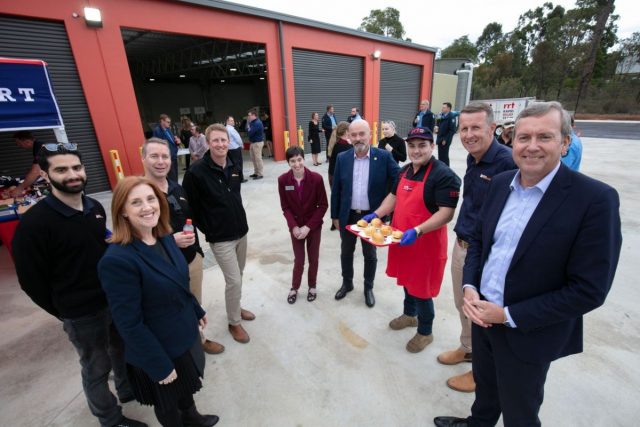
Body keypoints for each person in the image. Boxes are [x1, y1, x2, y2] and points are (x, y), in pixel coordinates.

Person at [433, 101, 622, 427]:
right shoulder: (501, 183)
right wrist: (469, 286)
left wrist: (507, 315)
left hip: (528, 331)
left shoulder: (594, 200)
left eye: (544, 137)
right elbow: (478, 241)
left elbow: (589, 290)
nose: (531, 146)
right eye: (523, 137)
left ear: (564, 143)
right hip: (482, 316)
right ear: (511, 141)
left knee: (520, 410)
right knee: (486, 390)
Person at [12, 143, 146, 427]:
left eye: (76, 167)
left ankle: (127, 390)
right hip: (81, 313)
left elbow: (104, 249)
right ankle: (110, 419)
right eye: (61, 169)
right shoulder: (35, 223)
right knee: (96, 368)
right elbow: (30, 281)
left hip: (112, 300)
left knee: (121, 351)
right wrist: (63, 310)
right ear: (46, 176)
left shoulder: (94, 207)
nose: (72, 174)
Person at [98, 177, 218, 427]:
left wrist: (196, 309)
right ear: (122, 211)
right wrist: (158, 364)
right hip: (157, 348)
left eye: (151, 199)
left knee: (186, 387)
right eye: (136, 202)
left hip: (182, 335)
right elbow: (128, 324)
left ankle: (192, 418)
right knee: (167, 403)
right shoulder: (117, 260)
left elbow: (179, 282)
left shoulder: (163, 237)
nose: (147, 207)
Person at [437, 102, 516, 393]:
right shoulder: (474, 159)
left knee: (481, 312)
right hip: (463, 243)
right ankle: (467, 347)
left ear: (492, 128)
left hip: (485, 253)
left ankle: (479, 371)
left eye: (476, 128)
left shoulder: (508, 162)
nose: (468, 135)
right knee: (463, 304)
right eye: (464, 129)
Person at [363, 127, 460, 352]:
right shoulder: (404, 170)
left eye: (422, 145)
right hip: (402, 240)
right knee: (407, 281)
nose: (416, 151)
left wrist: (417, 231)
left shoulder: (443, 175)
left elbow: (446, 213)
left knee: (422, 289)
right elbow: (394, 197)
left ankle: (425, 331)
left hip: (424, 244)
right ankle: (410, 314)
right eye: (412, 145)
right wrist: (376, 214)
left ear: (432, 146)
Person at [141, 137, 225, 356]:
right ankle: (179, 349)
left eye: (165, 156)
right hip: (161, 267)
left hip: (190, 260)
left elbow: (192, 218)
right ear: (143, 159)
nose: (161, 161)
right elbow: (134, 238)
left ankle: (199, 340)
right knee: (169, 311)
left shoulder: (177, 188)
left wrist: (197, 252)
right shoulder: (139, 195)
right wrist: (170, 241)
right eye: (154, 156)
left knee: (195, 303)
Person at [182, 124, 255, 344]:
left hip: (241, 232)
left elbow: (236, 197)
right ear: (207, 142)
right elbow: (190, 210)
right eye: (216, 140)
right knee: (233, 280)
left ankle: (236, 306)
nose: (221, 144)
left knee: (239, 276)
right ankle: (234, 322)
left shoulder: (233, 164)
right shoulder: (196, 173)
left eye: (224, 140)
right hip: (220, 238)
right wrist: (209, 229)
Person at [331, 119, 400, 307]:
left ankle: (368, 287)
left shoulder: (383, 157)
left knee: (370, 254)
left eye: (362, 134)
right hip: (348, 216)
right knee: (346, 252)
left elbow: (399, 180)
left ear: (370, 134)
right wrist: (334, 216)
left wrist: (388, 209)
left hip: (372, 217)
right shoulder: (342, 158)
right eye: (353, 135)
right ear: (349, 137)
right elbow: (336, 188)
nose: (358, 138)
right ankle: (347, 283)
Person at [277, 146, 328, 304]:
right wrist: (294, 227)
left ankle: (312, 286)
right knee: (299, 260)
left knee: (314, 259)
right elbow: (285, 207)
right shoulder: (283, 181)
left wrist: (309, 227)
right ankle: (294, 287)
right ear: (288, 162)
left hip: (313, 227)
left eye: (299, 159)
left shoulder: (316, 179)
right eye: (293, 161)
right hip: (296, 229)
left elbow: (323, 205)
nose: (297, 164)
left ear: (303, 159)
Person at [10, 130, 44, 197]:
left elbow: (36, 171)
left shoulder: (39, 147)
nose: (18, 145)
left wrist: (20, 189)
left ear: (27, 141)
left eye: (18, 143)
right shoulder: (38, 146)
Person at [152, 114, 181, 181]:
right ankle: (173, 190)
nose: (169, 123)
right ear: (162, 121)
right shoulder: (157, 131)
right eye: (168, 122)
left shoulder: (168, 129)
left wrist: (177, 141)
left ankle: (175, 188)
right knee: (171, 176)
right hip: (167, 156)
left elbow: (172, 141)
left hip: (173, 155)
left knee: (175, 174)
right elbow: (156, 144)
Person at [327, 121, 352, 187]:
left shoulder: (336, 143)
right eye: (350, 130)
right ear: (346, 132)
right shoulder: (346, 146)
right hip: (339, 179)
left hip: (332, 175)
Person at [226, 115, 247, 182]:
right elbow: (238, 139)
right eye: (231, 120)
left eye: (233, 120)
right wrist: (242, 145)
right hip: (235, 148)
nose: (233, 122)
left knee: (232, 164)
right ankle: (240, 178)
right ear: (227, 121)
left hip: (229, 149)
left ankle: (234, 178)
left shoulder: (225, 129)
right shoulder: (231, 129)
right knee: (238, 163)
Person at [436, 102, 457, 166]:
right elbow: (438, 124)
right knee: (440, 156)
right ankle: (441, 169)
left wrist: (445, 139)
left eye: (444, 107)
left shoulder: (451, 116)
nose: (442, 108)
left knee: (444, 156)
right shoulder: (441, 115)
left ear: (448, 108)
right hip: (440, 138)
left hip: (445, 140)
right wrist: (436, 128)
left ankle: (446, 169)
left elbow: (452, 130)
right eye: (442, 107)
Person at [246, 108, 265, 179]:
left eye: (249, 115)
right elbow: (247, 130)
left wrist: (248, 127)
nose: (248, 117)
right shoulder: (252, 122)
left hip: (257, 143)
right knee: (253, 158)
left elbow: (250, 133)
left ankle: (260, 174)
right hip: (253, 143)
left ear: (254, 115)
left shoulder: (257, 123)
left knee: (258, 158)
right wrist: (248, 125)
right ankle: (256, 172)